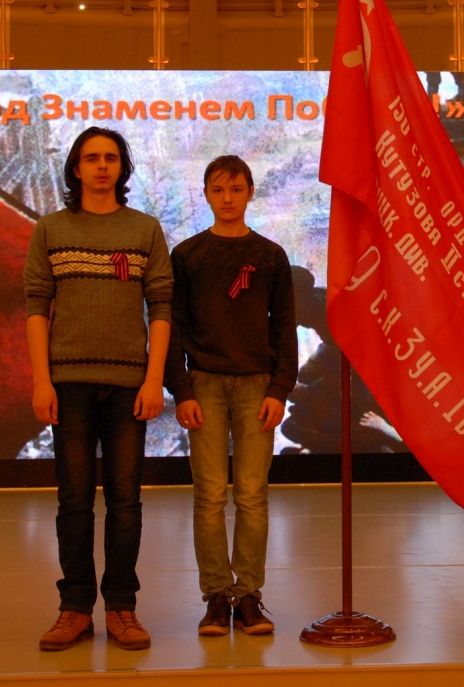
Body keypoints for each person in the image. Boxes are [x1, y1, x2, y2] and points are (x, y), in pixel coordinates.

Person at [25, 127, 173, 651]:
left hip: (129, 386)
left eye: (111, 158)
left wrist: (154, 379)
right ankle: (74, 609)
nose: (102, 166)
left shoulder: (145, 229)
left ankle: (122, 608)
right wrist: (41, 380)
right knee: (74, 502)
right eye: (92, 158)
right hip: (68, 386)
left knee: (126, 502)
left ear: (122, 168)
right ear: (76, 168)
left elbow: (161, 307)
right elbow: (37, 306)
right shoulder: (50, 229)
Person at [165, 155, 297, 636]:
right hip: (203, 383)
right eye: (218, 190)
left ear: (250, 193)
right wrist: (181, 388)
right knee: (208, 496)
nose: (227, 198)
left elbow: (284, 327)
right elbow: (173, 325)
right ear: (205, 194)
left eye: (236, 189)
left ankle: (249, 597)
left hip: (256, 386)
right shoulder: (188, 256)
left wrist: (279, 388)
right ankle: (217, 597)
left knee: (252, 496)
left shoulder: (270, 256)